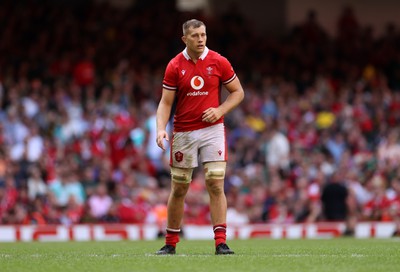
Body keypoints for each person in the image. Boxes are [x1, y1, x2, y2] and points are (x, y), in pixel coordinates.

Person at [155, 19, 244, 255]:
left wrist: (220, 110)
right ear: (185, 39)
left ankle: (221, 242)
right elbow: (165, 102)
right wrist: (160, 128)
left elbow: (238, 92)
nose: (201, 39)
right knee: (180, 188)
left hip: (213, 130)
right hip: (184, 132)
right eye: (195, 35)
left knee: (215, 183)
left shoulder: (219, 61)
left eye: (203, 34)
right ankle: (171, 242)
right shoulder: (174, 65)